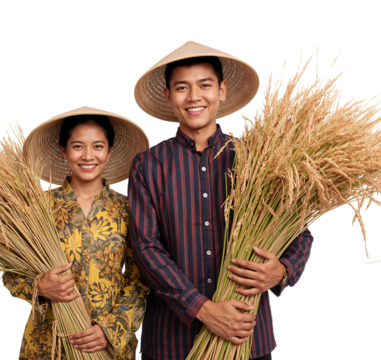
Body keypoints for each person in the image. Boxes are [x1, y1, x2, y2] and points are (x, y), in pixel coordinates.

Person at [128, 40, 316, 360]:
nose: (194, 96)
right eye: (182, 88)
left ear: (223, 90)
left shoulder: (260, 157)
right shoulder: (147, 165)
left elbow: (301, 229)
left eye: (205, 85)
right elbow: (145, 248)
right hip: (171, 345)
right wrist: (202, 308)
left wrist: (283, 271)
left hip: (248, 338)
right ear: (168, 97)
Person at [0, 105, 151, 359]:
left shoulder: (128, 209)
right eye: (78, 146)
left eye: (98, 146)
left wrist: (110, 329)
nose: (88, 156)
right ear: (64, 150)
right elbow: (9, 273)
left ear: (110, 151)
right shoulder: (38, 208)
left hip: (109, 347)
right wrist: (39, 286)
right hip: (48, 343)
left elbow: (142, 280)